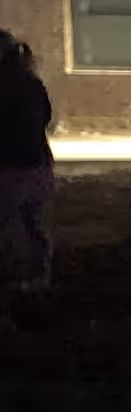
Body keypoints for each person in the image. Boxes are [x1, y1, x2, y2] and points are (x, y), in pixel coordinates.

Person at [0, 32, 54, 289]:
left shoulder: (5, 86)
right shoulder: (33, 83)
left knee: (10, 224)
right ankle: (38, 274)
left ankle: (17, 277)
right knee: (31, 223)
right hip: (39, 166)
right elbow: (45, 118)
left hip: (11, 169)